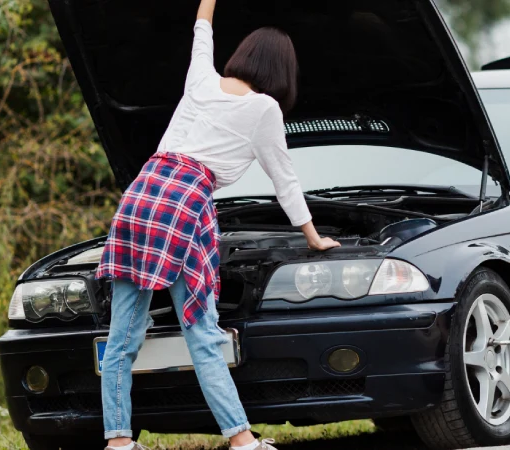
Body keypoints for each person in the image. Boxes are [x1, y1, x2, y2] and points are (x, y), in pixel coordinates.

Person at [94, 1, 339, 449]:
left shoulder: (202, 79)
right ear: (282, 71)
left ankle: (118, 443)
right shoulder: (264, 109)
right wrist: (313, 236)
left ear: (244, 54)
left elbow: (200, 31)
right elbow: (284, 178)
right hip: (182, 206)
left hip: (140, 195)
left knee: (121, 336)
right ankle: (242, 440)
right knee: (202, 332)